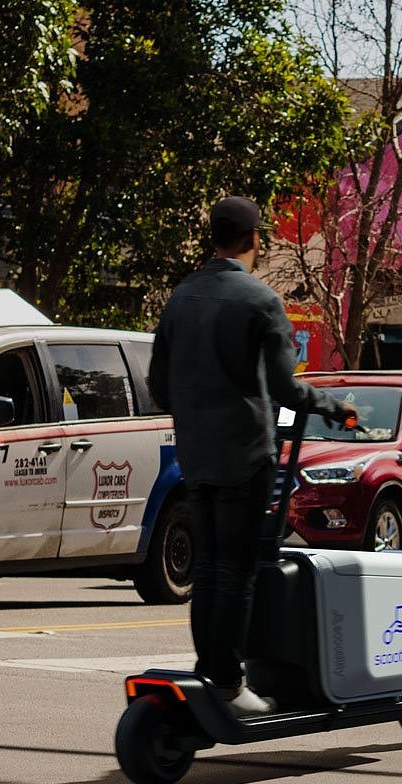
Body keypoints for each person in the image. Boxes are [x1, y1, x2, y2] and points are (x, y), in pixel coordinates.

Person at [148, 195, 356, 716]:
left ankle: (208, 669)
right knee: (235, 571)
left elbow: (159, 387)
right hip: (245, 456)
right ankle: (227, 680)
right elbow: (287, 390)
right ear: (254, 240)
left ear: (213, 236)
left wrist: (198, 411)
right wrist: (336, 407)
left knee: (208, 568)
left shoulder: (181, 297)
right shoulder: (260, 301)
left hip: (195, 458)